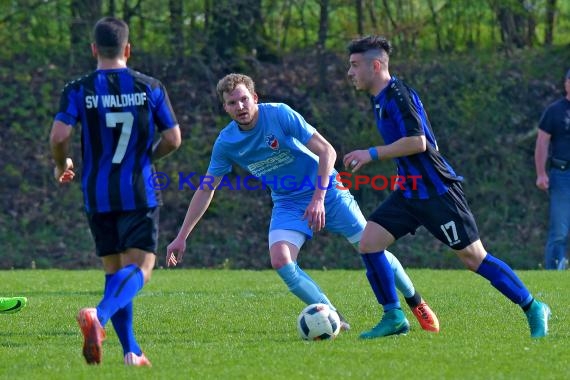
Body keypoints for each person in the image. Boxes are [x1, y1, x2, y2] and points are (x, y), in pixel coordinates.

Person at [166, 73, 439, 334]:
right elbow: (206, 189)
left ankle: (416, 301)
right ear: (224, 107)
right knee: (281, 259)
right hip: (288, 202)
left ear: (255, 98)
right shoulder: (226, 142)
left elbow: (327, 151)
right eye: (231, 103)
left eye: (243, 99)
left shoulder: (279, 114)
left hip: (328, 191)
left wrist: (319, 198)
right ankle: (333, 318)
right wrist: (181, 237)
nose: (239, 107)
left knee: (370, 247)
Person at [343, 35, 551, 339]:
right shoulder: (381, 99)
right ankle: (394, 316)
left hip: (438, 191)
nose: (349, 72)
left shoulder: (398, 94)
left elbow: (418, 142)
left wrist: (371, 153)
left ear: (376, 66)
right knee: (369, 243)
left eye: (354, 65)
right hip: (411, 191)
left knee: (473, 258)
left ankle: (533, 306)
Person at [49, 17, 181, 366]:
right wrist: (145, 158)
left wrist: (62, 165)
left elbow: (59, 136)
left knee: (115, 271)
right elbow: (173, 138)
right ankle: (99, 316)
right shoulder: (150, 86)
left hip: (97, 193)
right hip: (138, 191)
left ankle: (131, 351)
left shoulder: (78, 89)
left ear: (94, 49)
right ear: (128, 48)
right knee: (142, 269)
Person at [534, 69, 570, 270]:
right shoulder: (555, 111)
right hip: (562, 175)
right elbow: (542, 143)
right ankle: (554, 272)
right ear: (566, 83)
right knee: (560, 231)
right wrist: (541, 173)